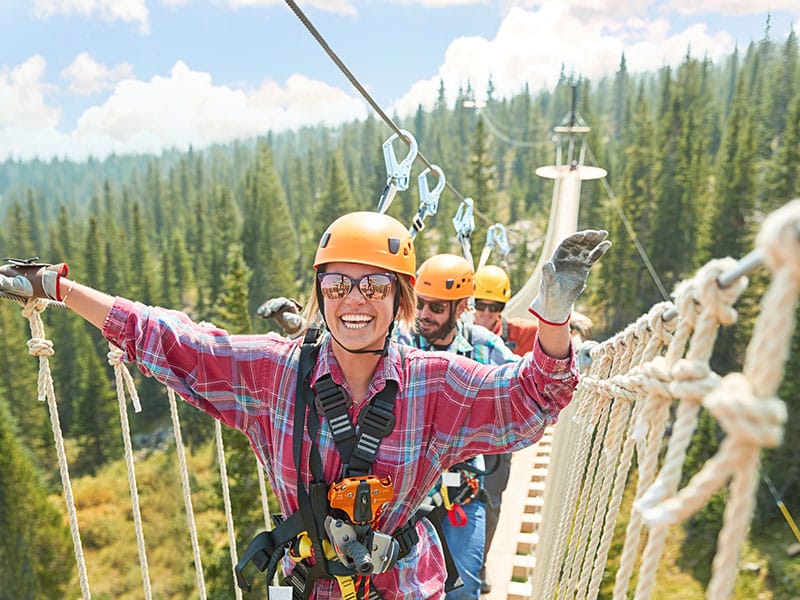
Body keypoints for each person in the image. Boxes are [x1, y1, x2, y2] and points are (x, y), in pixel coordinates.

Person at [0, 213, 610, 600]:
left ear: (400, 300)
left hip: (400, 585)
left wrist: (552, 319)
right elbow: (175, 343)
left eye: (374, 285)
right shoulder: (275, 374)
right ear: (318, 294)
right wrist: (58, 288)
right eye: (338, 284)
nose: (355, 300)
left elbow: (534, 399)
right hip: (310, 585)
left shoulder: (437, 386)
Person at [394, 253, 519, 600]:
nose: (422, 315)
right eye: (419, 304)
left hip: (464, 492)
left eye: (435, 308)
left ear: (461, 307)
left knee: (463, 592)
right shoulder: (401, 343)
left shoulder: (483, 347)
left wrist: (561, 343)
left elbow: (529, 383)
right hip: (410, 493)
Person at [471, 263, 593, 593]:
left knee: (491, 502)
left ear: (502, 308)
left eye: (492, 307)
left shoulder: (515, 333)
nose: (484, 314)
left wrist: (569, 326)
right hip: (463, 434)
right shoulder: (459, 336)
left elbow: (549, 342)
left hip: (499, 439)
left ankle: (478, 564)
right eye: (479, 306)